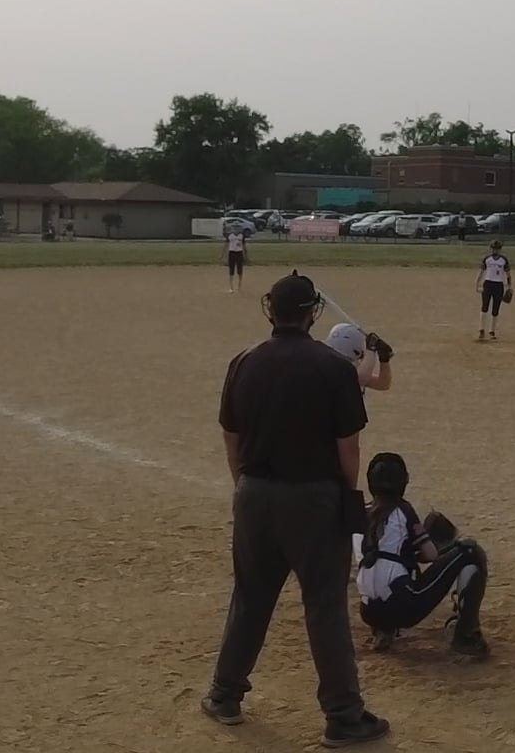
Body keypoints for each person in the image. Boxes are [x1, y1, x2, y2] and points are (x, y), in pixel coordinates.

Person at [205, 273, 388, 748]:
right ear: (312, 313)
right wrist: (344, 497)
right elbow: (348, 449)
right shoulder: (333, 368)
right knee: (325, 607)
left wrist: (244, 486)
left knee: (251, 597)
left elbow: (231, 437)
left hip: (253, 492)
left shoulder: (244, 361)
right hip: (313, 496)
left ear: (271, 309)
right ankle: (343, 717)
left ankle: (224, 695)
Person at [354, 452, 490, 659]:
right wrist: (438, 544)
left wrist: (407, 552)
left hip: (368, 611)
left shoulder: (359, 514)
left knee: (384, 574)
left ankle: (383, 629)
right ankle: (466, 636)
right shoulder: (403, 510)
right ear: (403, 482)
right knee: (470, 551)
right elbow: (431, 555)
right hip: (402, 606)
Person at [325, 324, 395, 392]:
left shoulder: (330, 362)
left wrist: (384, 360)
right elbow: (361, 379)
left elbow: (383, 384)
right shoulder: (332, 370)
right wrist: (371, 349)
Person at [475, 240, 511, 342]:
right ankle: (481, 329)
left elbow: (508, 274)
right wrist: (477, 283)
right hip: (488, 283)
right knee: (484, 306)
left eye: (497, 249)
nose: (495, 251)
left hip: (498, 285)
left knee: (496, 308)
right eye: (493, 249)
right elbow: (481, 272)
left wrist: (509, 286)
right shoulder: (487, 259)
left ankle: (492, 331)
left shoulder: (503, 260)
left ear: (500, 250)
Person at [224, 226, 250, 293]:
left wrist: (246, 255)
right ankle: (231, 287)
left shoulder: (241, 236)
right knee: (231, 270)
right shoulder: (229, 236)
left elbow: (244, 246)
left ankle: (239, 286)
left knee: (240, 270)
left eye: (237, 229)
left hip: (239, 253)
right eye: (234, 229)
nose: (236, 230)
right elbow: (226, 245)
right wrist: (224, 255)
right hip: (232, 253)